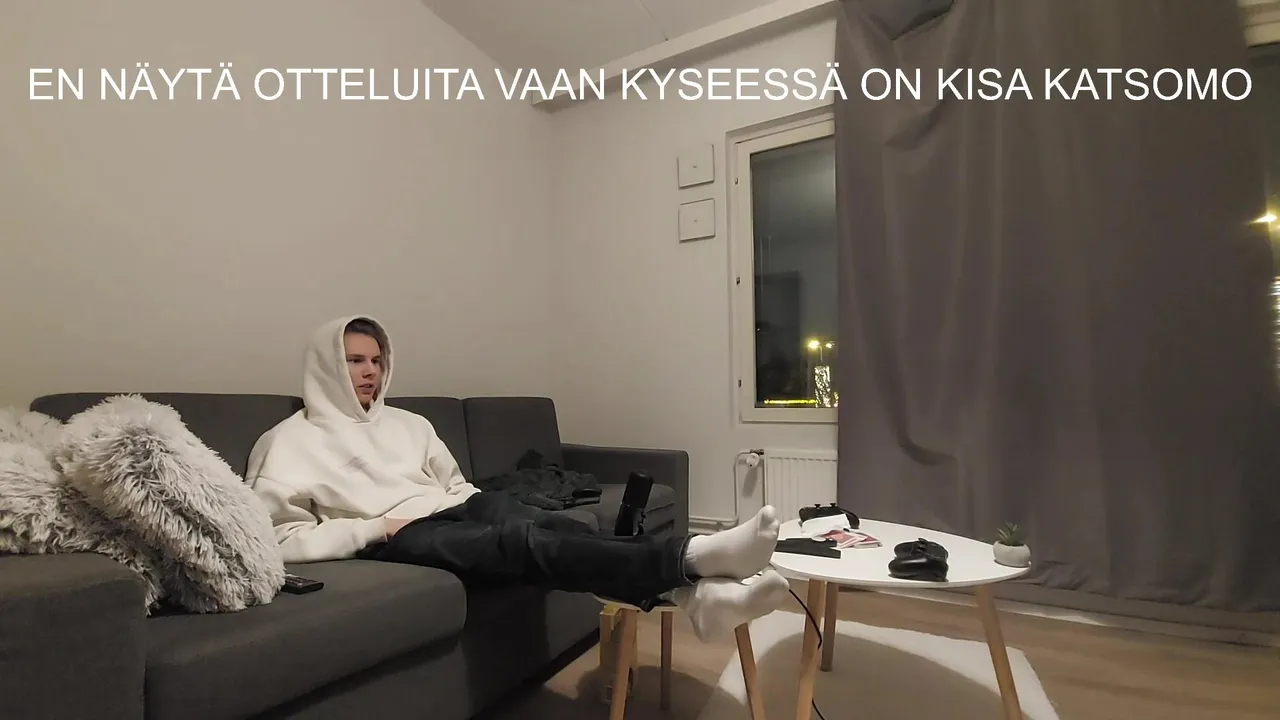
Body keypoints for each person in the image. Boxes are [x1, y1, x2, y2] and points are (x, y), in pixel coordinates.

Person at [246, 315, 789, 640]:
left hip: (454, 507)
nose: (369, 372)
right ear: (326, 366)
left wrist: (481, 507)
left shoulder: (410, 424)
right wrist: (375, 528)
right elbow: (277, 539)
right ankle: (690, 558)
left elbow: (455, 485)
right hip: (394, 537)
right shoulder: (289, 441)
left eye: (375, 360)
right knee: (517, 543)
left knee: (556, 526)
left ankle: (694, 598)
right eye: (353, 361)